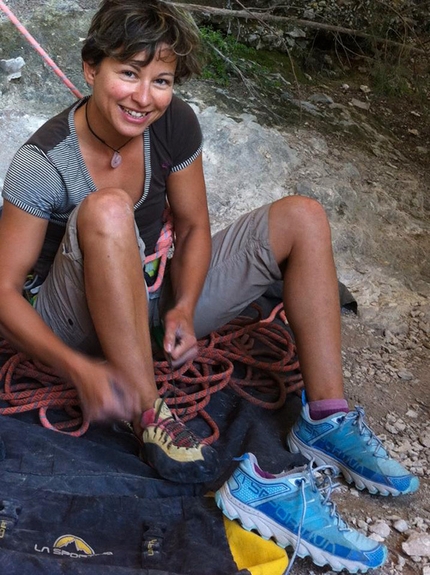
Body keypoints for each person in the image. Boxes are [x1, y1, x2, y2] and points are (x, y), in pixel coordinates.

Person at [0, 0, 419, 569]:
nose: (143, 97)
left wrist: (185, 306)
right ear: (90, 68)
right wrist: (78, 369)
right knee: (106, 211)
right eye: (128, 72)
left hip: (146, 295)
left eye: (161, 80)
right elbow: (2, 291)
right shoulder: (41, 161)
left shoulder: (174, 124)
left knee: (302, 216)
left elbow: (195, 226)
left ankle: (326, 417)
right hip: (74, 322)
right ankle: (151, 414)